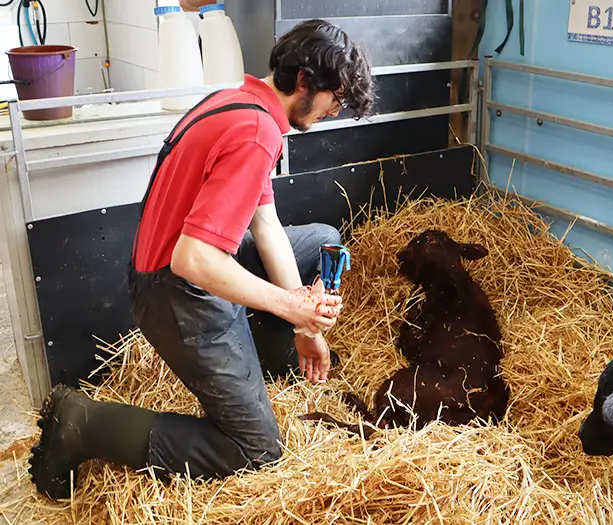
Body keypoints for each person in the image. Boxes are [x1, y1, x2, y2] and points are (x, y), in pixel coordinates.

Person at [28, 18, 376, 501]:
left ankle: (272, 357)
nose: (332, 113)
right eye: (334, 100)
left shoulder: (241, 101)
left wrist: (306, 327)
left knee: (322, 240)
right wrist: (288, 305)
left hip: (177, 266)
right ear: (304, 82)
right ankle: (83, 423)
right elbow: (193, 259)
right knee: (256, 450)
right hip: (177, 291)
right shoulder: (257, 133)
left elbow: (266, 225)